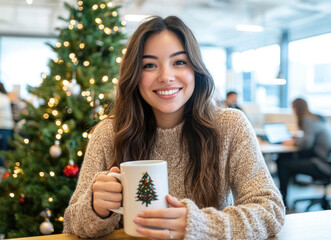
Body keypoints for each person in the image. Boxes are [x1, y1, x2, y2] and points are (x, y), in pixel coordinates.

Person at [63, 16, 285, 239]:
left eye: (179, 62)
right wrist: (96, 208)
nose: (166, 77)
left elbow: (270, 210)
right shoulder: (109, 133)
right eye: (149, 65)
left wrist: (201, 226)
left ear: (196, 70)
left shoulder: (230, 126)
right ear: (134, 76)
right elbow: (72, 225)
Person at [277, 98, 331, 208]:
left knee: (283, 163)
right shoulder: (314, 117)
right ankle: (283, 197)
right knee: (284, 157)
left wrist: (293, 141)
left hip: (321, 164)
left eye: (293, 108)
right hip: (324, 160)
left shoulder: (306, 118)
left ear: (296, 108)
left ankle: (283, 202)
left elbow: (307, 143)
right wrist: (298, 138)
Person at [0, 82, 14, 167]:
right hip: (7, 128)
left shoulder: (2, 98)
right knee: (4, 150)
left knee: (2, 151)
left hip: (2, 128)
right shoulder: (5, 97)